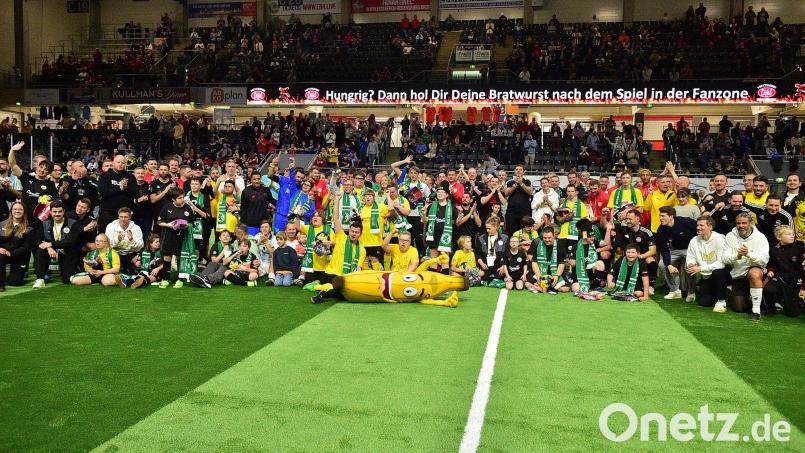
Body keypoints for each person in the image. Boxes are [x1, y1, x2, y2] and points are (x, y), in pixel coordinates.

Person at [310, 189, 367, 304]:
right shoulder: (341, 237)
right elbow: (335, 218)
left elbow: (358, 268)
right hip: (331, 273)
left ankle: (322, 288)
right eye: (352, 231)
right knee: (341, 287)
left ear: (360, 234)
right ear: (349, 231)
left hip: (347, 277)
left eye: (356, 232)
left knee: (344, 293)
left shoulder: (362, 250)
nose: (353, 234)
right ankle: (322, 294)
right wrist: (336, 201)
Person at [722, 212, 770, 321]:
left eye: (744, 223)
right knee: (739, 308)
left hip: (755, 270)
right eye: (738, 223)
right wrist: (737, 256)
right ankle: (751, 296)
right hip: (738, 273)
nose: (741, 226)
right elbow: (724, 259)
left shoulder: (760, 237)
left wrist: (748, 253)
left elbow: (764, 260)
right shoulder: (730, 236)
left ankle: (756, 311)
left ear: (751, 223)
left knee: (754, 273)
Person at [32, 201, 79, 287]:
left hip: (66, 251)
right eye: (54, 212)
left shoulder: (73, 223)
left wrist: (51, 245)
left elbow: (70, 241)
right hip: (51, 251)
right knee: (40, 250)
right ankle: (40, 279)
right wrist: (49, 248)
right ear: (50, 212)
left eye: (60, 211)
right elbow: (37, 240)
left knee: (67, 280)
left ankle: (75, 269)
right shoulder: (45, 223)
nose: (57, 214)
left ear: (64, 211)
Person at [655, 207, 698, 301]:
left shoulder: (685, 222)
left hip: (690, 249)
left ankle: (691, 292)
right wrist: (669, 265)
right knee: (662, 264)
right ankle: (675, 290)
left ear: (671, 216)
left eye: (663, 216)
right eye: (660, 216)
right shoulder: (661, 229)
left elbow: (699, 227)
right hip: (674, 250)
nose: (660, 218)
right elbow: (664, 249)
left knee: (690, 266)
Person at [156, 188, 195, 289]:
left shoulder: (187, 208)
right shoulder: (167, 207)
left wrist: (186, 225)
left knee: (179, 257)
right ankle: (165, 278)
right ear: (173, 199)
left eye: (183, 197)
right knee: (167, 257)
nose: (182, 199)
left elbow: (192, 222)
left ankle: (179, 279)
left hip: (182, 237)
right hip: (168, 236)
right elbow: (159, 222)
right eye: (179, 198)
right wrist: (169, 225)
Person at [763, 226, 804, 318]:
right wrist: (770, 271)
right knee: (768, 289)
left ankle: (796, 302)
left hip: (795, 282)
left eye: (793, 234)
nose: (792, 236)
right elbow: (771, 264)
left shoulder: (800, 249)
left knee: (792, 314)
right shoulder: (773, 250)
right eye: (788, 234)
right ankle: (770, 307)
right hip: (780, 278)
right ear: (779, 237)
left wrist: (803, 287)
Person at [611, 209, 658, 289]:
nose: (628, 221)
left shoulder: (646, 232)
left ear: (637, 219)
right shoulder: (623, 227)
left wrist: (640, 256)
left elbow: (653, 250)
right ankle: (615, 280)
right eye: (627, 219)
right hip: (628, 257)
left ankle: (650, 285)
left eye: (630, 219)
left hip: (641, 257)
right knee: (619, 259)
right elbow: (608, 225)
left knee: (651, 261)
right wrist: (605, 217)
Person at [0, 202, 36, 290]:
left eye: (20, 209)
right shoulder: (1, 225)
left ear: (24, 212)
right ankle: (1, 283)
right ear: (11, 211)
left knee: (15, 282)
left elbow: (26, 248)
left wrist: (11, 253)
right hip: (3, 254)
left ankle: (11, 276)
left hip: (19, 256)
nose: (17, 211)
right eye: (15, 209)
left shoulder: (29, 228)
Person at [97, 155, 137, 232]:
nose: (120, 164)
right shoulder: (104, 176)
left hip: (124, 215)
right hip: (108, 213)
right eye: (118, 162)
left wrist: (126, 187)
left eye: (123, 163)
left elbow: (135, 194)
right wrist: (119, 188)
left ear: (125, 164)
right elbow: (103, 192)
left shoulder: (130, 176)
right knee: (106, 237)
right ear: (113, 163)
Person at [297, 210, 334, 284]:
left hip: (324, 266)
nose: (315, 217)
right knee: (310, 284)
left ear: (322, 219)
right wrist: (298, 215)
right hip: (311, 266)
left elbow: (334, 242)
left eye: (318, 216)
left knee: (323, 284)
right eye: (314, 216)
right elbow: (297, 226)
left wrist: (327, 242)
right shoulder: (309, 228)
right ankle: (302, 278)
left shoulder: (328, 229)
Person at [424, 186, 456, 268]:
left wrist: (460, 213)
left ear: (447, 195)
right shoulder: (431, 205)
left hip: (445, 236)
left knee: (445, 260)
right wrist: (424, 213)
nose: (439, 194)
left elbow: (457, 222)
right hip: (433, 236)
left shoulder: (451, 207)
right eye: (438, 192)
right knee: (433, 260)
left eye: (442, 192)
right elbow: (425, 221)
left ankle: (445, 279)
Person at [528, 226, 566, 294]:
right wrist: (538, 276)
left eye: (549, 238)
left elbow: (561, 263)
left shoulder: (560, 245)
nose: (547, 240)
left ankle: (543, 288)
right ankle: (546, 288)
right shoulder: (538, 244)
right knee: (527, 284)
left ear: (554, 236)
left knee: (565, 289)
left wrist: (557, 276)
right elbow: (534, 262)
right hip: (541, 270)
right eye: (545, 238)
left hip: (554, 271)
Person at [105, 207, 144, 273]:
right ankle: (120, 267)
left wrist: (131, 240)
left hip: (130, 253)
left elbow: (140, 247)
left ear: (130, 217)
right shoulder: (111, 226)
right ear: (118, 217)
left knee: (138, 263)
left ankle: (129, 267)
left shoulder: (136, 228)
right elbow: (107, 245)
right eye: (121, 217)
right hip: (115, 253)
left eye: (125, 217)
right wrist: (117, 239)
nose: (123, 219)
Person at [503, 165, 533, 236]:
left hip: (524, 212)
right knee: (511, 233)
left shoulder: (527, 181)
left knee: (524, 233)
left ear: (523, 172)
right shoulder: (509, 182)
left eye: (520, 169)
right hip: (511, 213)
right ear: (514, 171)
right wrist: (515, 185)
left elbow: (530, 192)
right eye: (517, 169)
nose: (518, 171)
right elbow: (506, 193)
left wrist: (521, 184)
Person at [240, 172, 272, 237]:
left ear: (261, 179)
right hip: (251, 225)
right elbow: (243, 208)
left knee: (264, 244)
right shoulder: (246, 191)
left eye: (258, 179)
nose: (257, 181)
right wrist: (243, 224)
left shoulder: (266, 190)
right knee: (252, 243)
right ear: (251, 180)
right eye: (254, 179)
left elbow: (273, 201)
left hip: (264, 225)